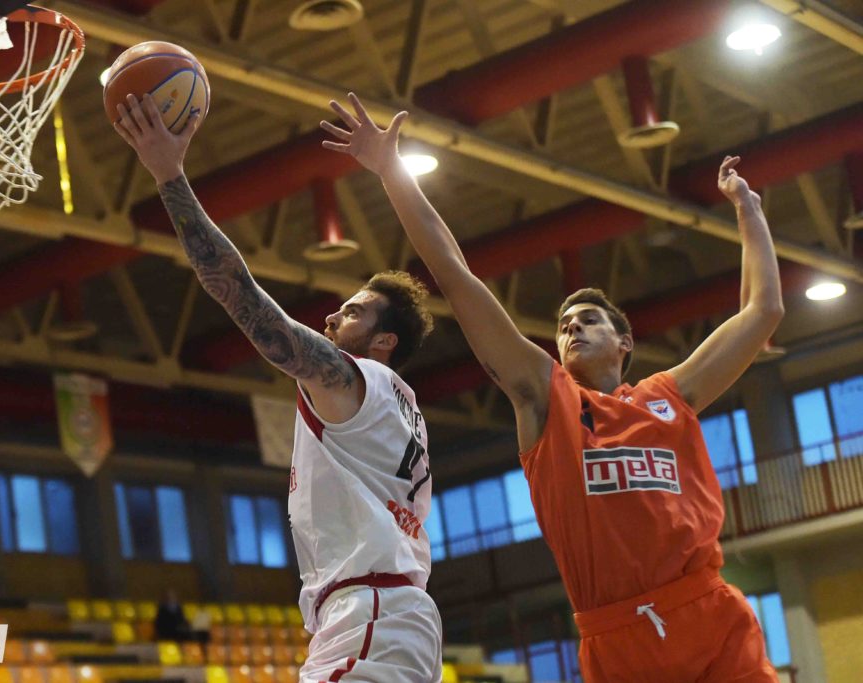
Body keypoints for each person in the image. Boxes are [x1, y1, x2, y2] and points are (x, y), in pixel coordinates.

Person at [321, 93, 782, 682]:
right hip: (618, 634)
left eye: (588, 320)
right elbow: (457, 277)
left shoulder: (671, 396)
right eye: (564, 326)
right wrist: (391, 171)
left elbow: (763, 310)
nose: (572, 329)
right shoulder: (545, 397)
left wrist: (748, 209)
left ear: (625, 342)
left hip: (711, 613)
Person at [113, 94, 443, 683]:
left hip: (371, 614)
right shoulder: (400, 406)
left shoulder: (358, 380)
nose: (331, 317)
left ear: (385, 340)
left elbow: (241, 295)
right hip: (381, 615)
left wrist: (169, 176)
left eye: (353, 312)